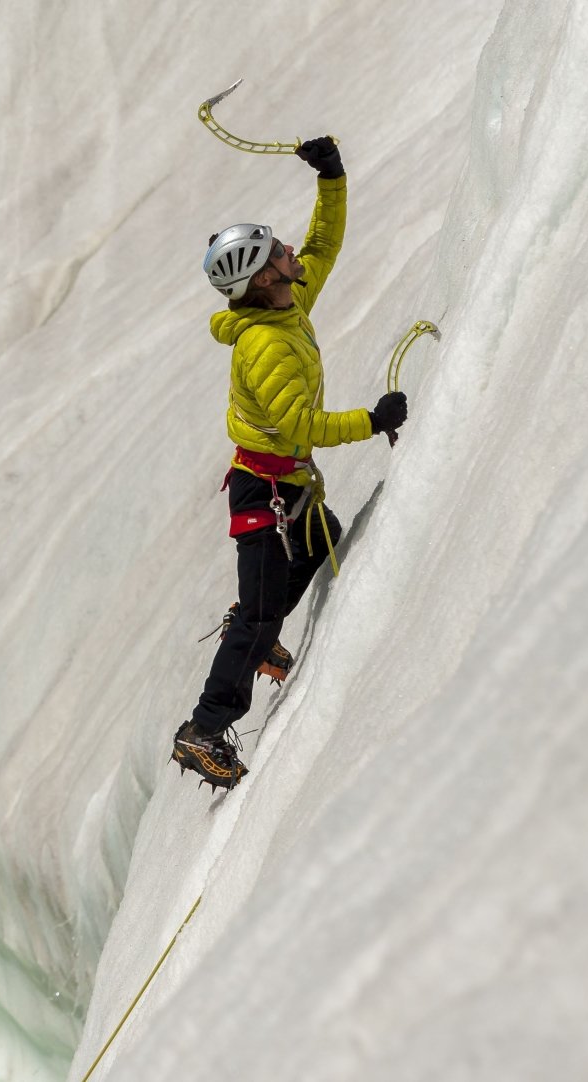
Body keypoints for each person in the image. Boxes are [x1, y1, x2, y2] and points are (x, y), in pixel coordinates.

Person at [171, 136, 409, 789]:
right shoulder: (265, 348)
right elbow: (298, 426)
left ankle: (251, 622)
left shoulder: (287, 301)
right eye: (277, 252)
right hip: (263, 491)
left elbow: (324, 245)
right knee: (260, 616)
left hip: (283, 484)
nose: (290, 251)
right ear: (263, 279)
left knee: (319, 543)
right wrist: (372, 420)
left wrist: (330, 177)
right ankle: (204, 730)